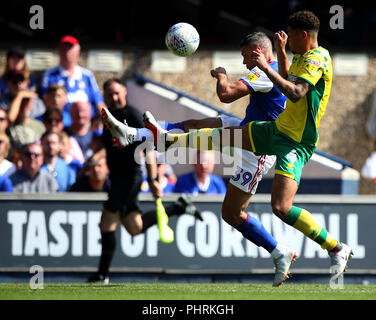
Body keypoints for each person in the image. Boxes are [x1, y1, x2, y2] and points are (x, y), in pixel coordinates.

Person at [102, 12, 354, 282]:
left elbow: (294, 92)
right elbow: (288, 80)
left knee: (279, 207)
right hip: (275, 130)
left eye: (291, 35)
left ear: (303, 35)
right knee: (215, 133)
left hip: (292, 143)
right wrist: (281, 53)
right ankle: (144, 135)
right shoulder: (302, 57)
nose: (287, 39)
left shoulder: (312, 60)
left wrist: (248, 69)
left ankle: (334, 247)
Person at [88, 78, 202, 283]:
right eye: (109, 94)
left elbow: (148, 149)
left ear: (124, 91)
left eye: (117, 92)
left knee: (106, 223)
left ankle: (102, 275)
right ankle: (178, 207)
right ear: (104, 96)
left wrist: (153, 180)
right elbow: (112, 149)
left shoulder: (132, 116)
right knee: (135, 228)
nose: (114, 97)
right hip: (117, 179)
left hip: (129, 178)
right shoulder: (109, 118)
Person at [40, 35, 105, 120]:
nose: (67, 51)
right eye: (63, 48)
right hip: (60, 122)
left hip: (85, 123)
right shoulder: (49, 75)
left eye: (70, 48)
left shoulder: (87, 75)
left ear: (78, 51)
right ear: (59, 51)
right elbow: (45, 102)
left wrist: (108, 122)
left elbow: (99, 102)